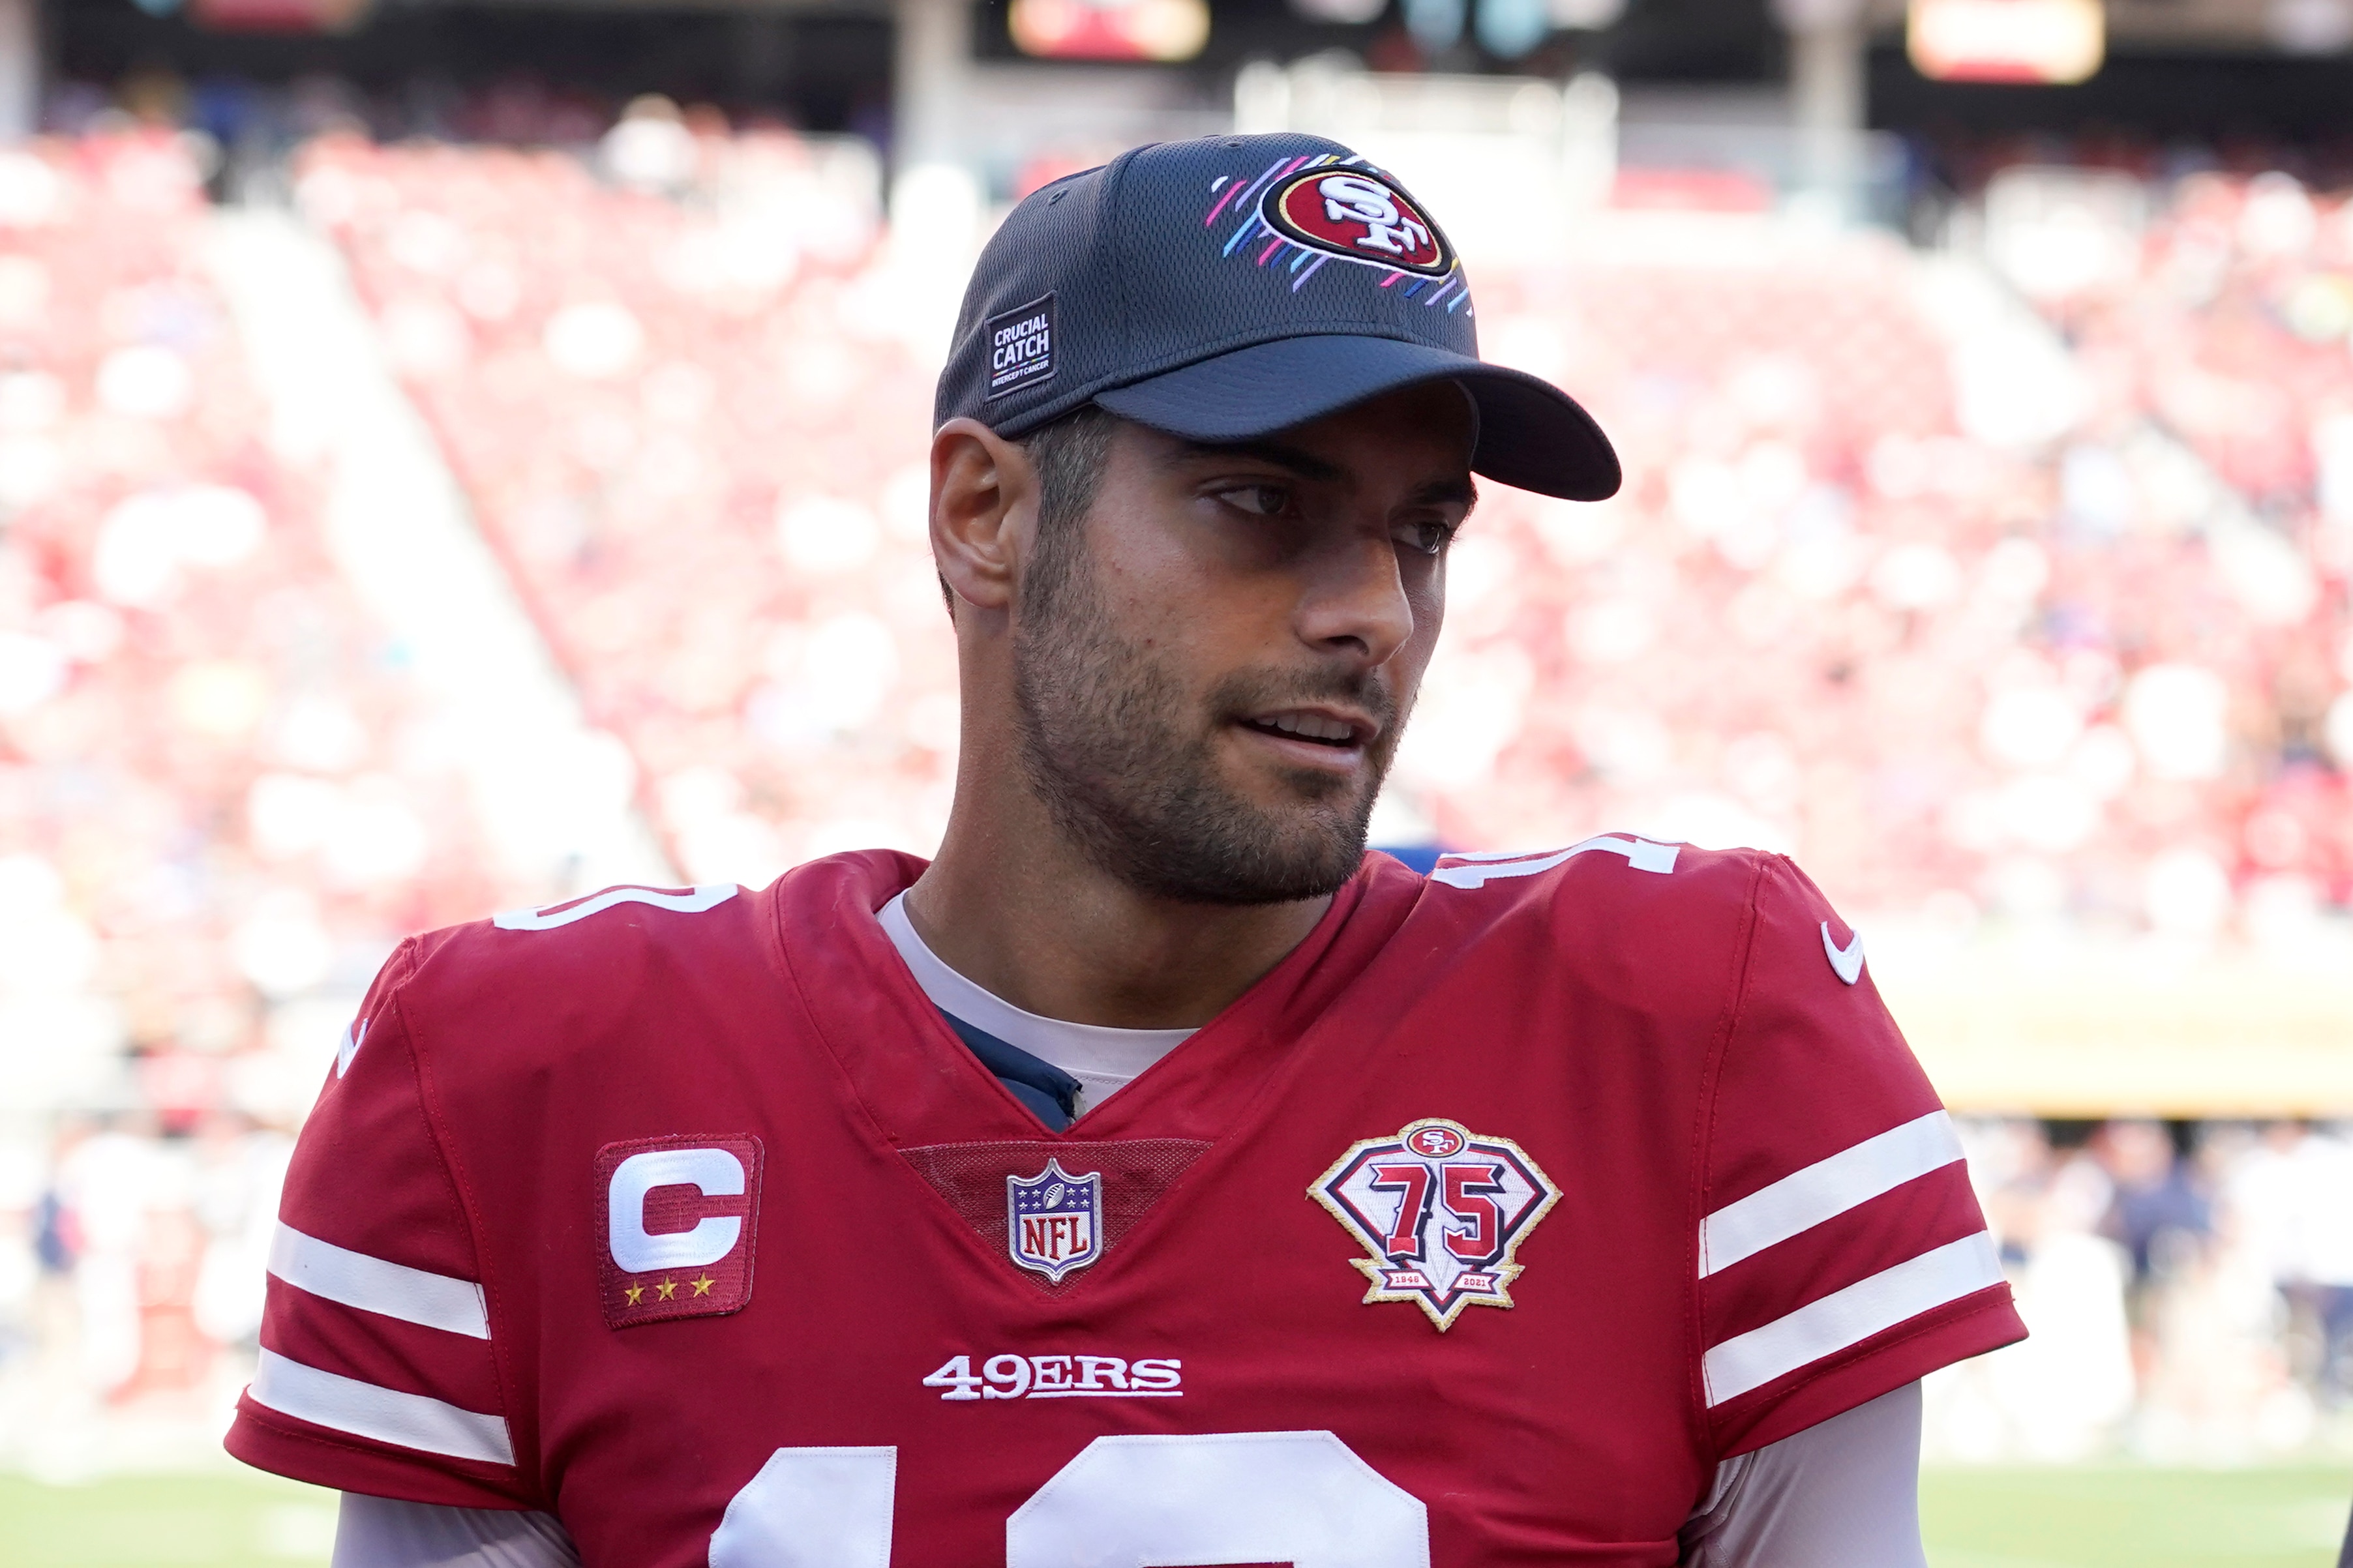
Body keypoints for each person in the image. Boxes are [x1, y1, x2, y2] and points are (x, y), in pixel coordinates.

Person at [225, 133, 2026, 1567]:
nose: (1370, 616)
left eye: (1419, 533)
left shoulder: (1691, 1020)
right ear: (984, 512)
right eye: (1263, 500)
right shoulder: (523, 1072)